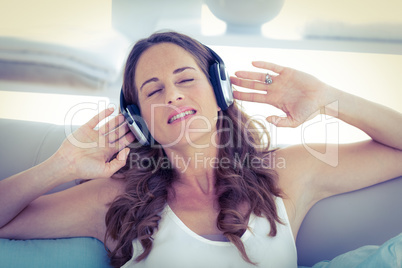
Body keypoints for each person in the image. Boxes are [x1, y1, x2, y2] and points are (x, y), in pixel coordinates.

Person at [0, 31, 401, 268]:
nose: (172, 95)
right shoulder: (114, 200)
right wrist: (60, 165)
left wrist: (331, 98)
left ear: (219, 89)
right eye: (153, 90)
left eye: (186, 79)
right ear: (139, 118)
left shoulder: (286, 174)